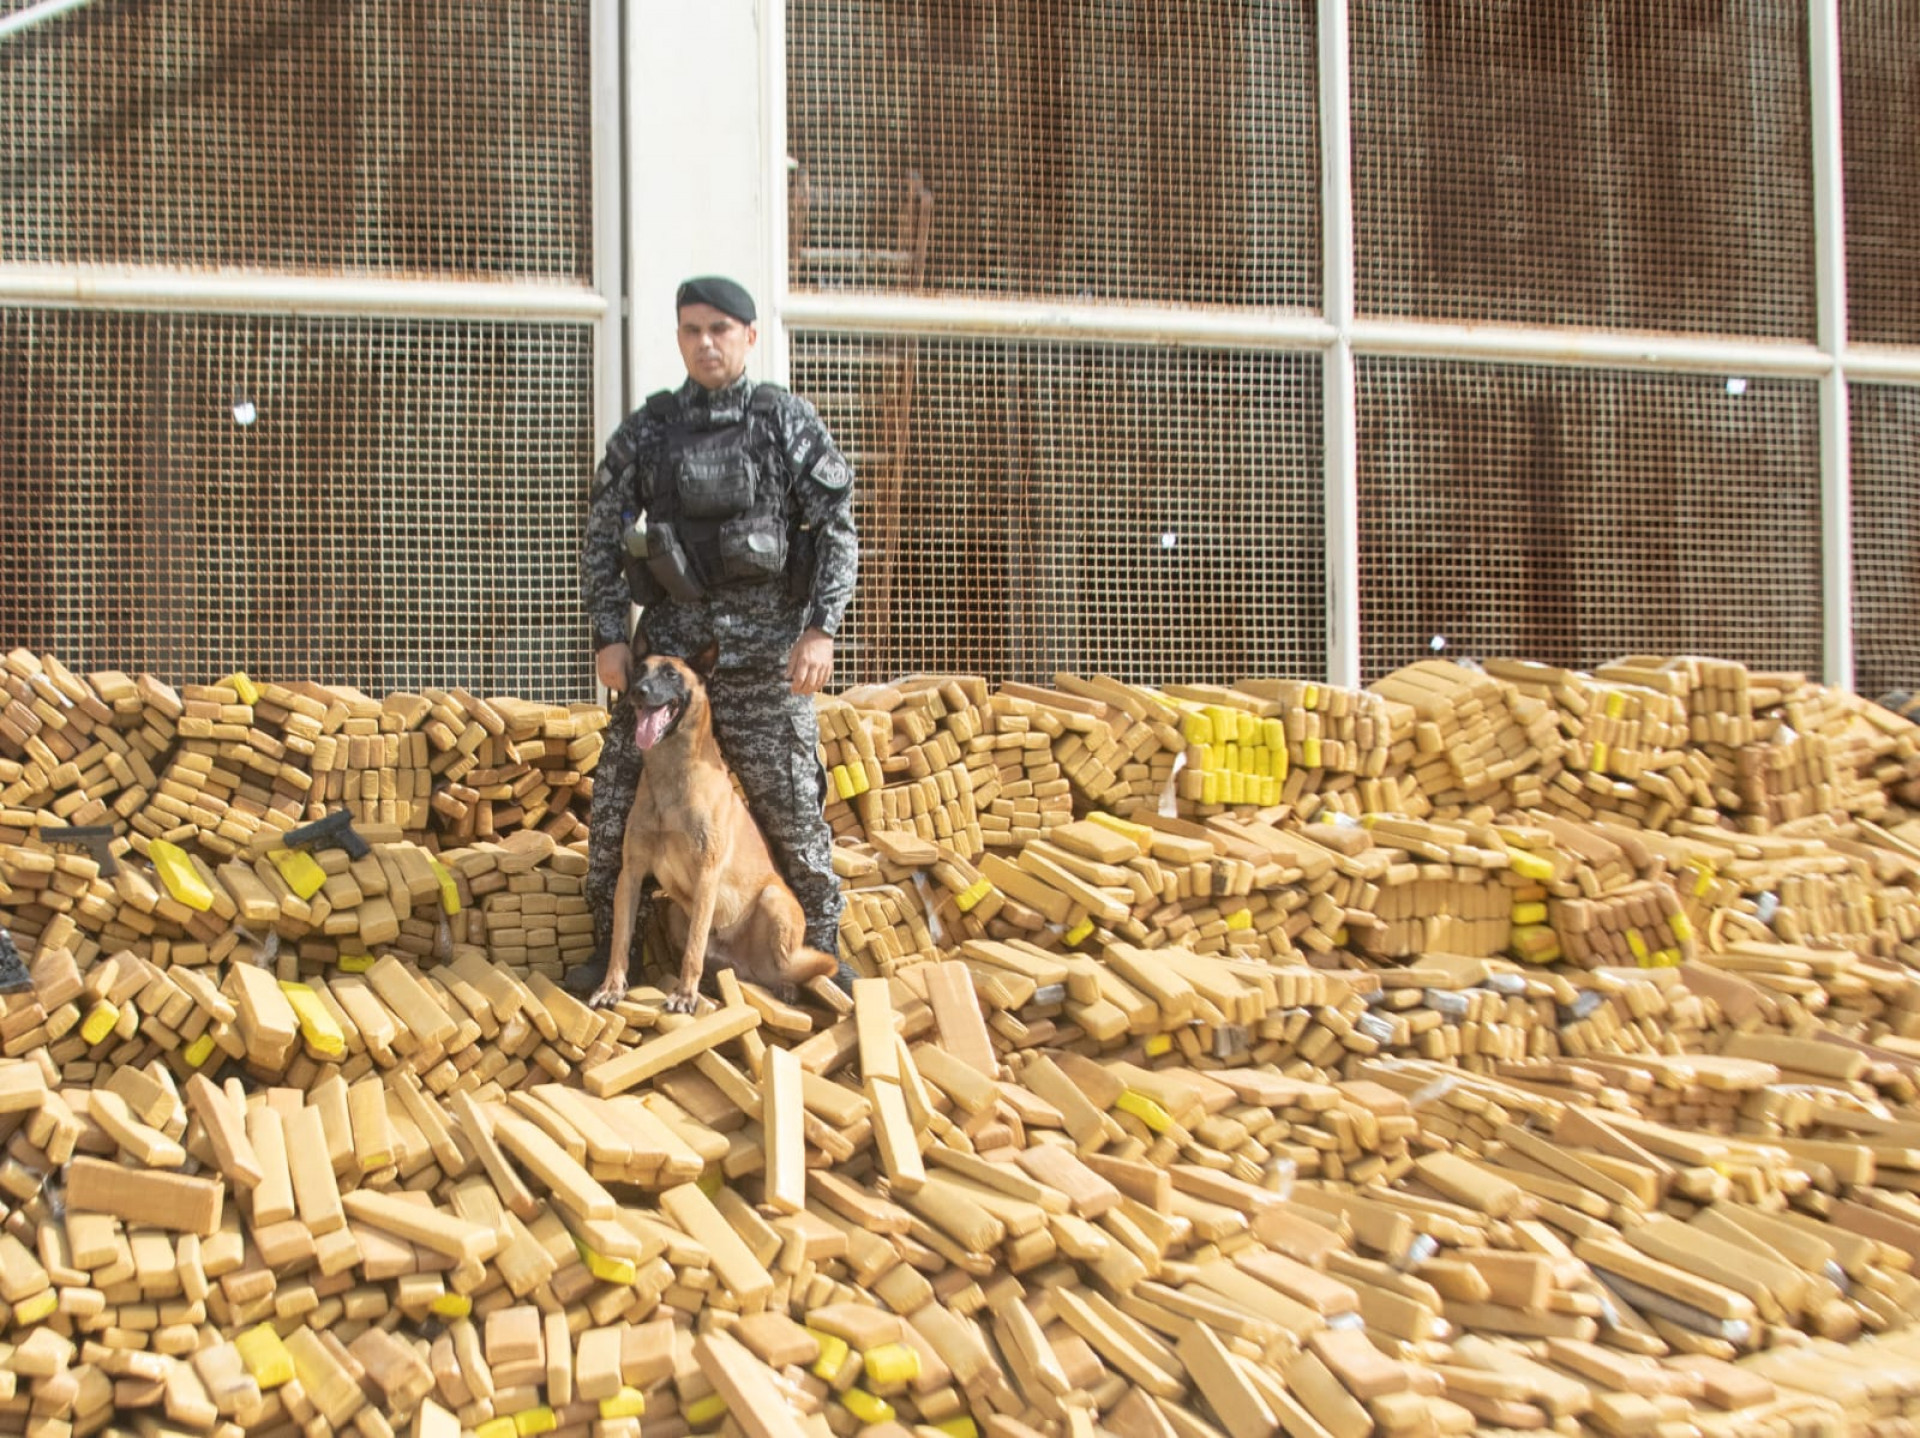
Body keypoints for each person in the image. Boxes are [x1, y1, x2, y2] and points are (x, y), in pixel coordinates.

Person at [569, 275, 858, 1002]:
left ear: (749, 336)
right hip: (671, 661)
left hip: (767, 661)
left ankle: (820, 954)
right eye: (692, 329)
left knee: (792, 809)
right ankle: (613, 954)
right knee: (619, 804)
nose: (706, 342)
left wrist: (822, 629)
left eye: (720, 329)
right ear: (678, 337)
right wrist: (609, 635)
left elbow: (836, 529)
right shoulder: (651, 430)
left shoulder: (785, 421)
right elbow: (601, 534)